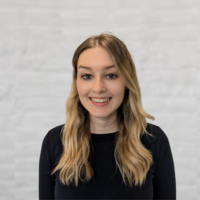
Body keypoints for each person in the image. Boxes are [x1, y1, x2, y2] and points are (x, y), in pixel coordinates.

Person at [39, 32, 176, 199]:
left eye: (111, 75)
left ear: (127, 80)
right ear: (77, 82)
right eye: (87, 76)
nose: (98, 88)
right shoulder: (54, 141)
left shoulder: (153, 140)